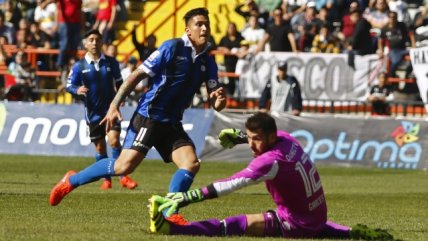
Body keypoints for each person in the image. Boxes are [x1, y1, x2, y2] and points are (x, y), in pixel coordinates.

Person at [49, 7, 227, 225]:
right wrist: (114, 105)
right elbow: (136, 75)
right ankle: (71, 180)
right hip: (149, 116)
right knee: (123, 167)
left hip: (171, 122)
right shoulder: (172, 47)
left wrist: (219, 100)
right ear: (188, 30)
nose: (204, 28)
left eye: (206, 24)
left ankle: (169, 211)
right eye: (199, 24)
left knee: (191, 163)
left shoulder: (207, 62)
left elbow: (215, 101)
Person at [148, 112, 396, 240]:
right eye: (250, 138)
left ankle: (171, 231)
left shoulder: (270, 162)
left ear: (269, 137)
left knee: (230, 226)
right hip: (316, 217)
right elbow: (262, 139)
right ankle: (350, 232)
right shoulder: (286, 139)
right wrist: (240, 137)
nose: (253, 144)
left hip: (296, 225)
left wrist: (184, 198)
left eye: (257, 139)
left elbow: (230, 184)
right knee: (309, 224)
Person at [65, 29, 138, 190]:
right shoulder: (79, 66)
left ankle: (123, 177)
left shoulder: (111, 62)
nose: (94, 42)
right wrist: (76, 90)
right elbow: (69, 85)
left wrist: (121, 97)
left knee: (114, 140)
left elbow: (120, 83)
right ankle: (106, 179)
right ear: (85, 43)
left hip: (110, 110)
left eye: (97, 39)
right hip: (93, 113)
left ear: (102, 43)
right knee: (100, 148)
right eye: (91, 39)